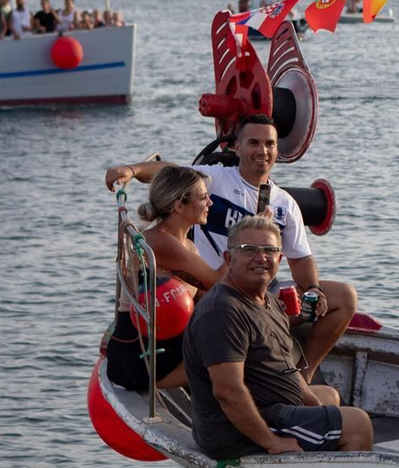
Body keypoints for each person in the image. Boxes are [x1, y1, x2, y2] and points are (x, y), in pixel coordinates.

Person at [104, 116, 359, 380]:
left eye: (269, 144)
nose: (262, 150)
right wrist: (132, 170)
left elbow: (301, 260)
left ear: (277, 150)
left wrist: (313, 291)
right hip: (215, 288)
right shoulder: (214, 179)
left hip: (260, 289)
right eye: (254, 143)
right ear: (237, 148)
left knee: (344, 297)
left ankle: (304, 374)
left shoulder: (287, 204)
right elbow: (171, 175)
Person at [183, 214, 373, 460]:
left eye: (269, 250)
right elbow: (228, 391)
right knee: (357, 424)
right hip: (233, 433)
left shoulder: (267, 301)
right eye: (249, 249)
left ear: (280, 259)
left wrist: (315, 407)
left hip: (273, 407)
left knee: (328, 396)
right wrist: (272, 442)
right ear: (229, 259)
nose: (261, 258)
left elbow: (286, 366)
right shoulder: (223, 311)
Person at [106, 167, 223, 392]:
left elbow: (205, 293)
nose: (210, 203)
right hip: (141, 357)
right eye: (203, 197)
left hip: (161, 344)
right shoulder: (160, 242)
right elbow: (218, 281)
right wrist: (250, 240)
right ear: (179, 206)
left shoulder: (185, 244)